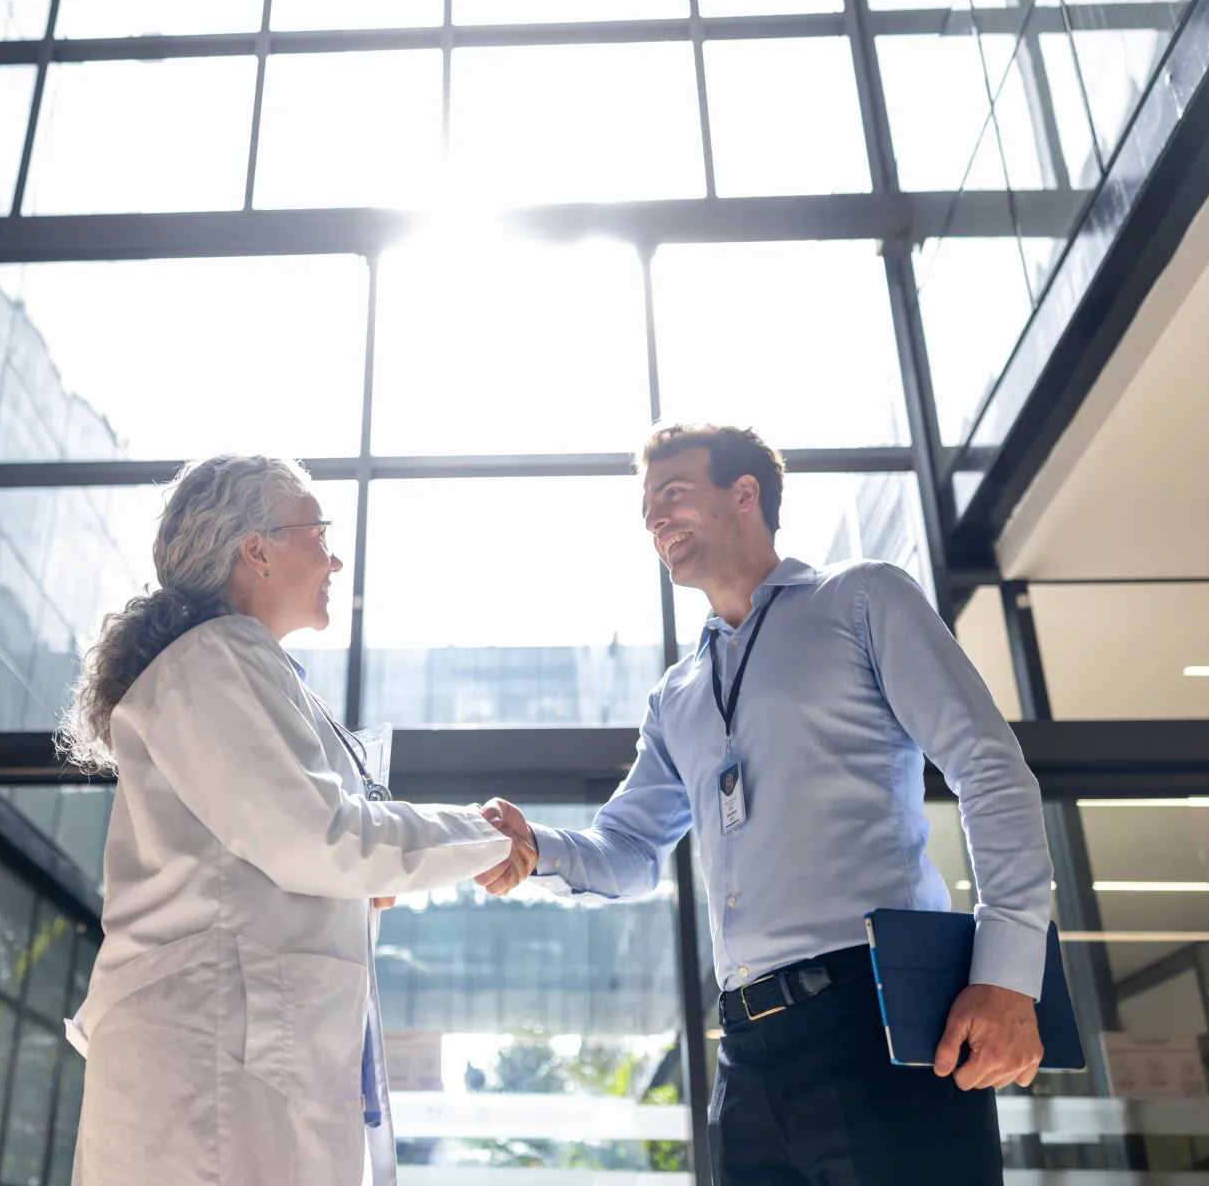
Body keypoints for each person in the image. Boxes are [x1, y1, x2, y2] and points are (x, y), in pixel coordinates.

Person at [477, 424, 1053, 1186]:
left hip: (875, 1016)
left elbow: (988, 766)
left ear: (745, 494)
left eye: (673, 494)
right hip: (747, 1051)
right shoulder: (677, 695)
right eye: (646, 508)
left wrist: (1010, 972)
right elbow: (630, 851)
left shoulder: (862, 597)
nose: (654, 519)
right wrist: (538, 847)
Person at [58, 455, 529, 1186]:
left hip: (227, 1056)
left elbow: (290, 845)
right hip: (206, 1059)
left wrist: (353, 883)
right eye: (319, 533)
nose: (335, 557)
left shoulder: (238, 668)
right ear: (257, 547)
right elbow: (320, 836)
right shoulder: (217, 658)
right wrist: (484, 837)